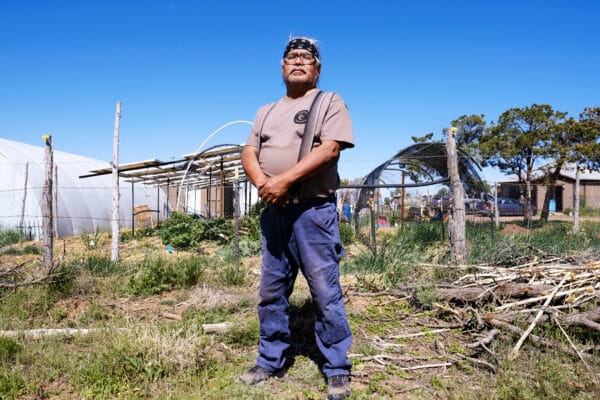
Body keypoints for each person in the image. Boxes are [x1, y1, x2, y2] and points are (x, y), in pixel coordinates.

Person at [239, 36, 354, 400]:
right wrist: (264, 185)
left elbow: (330, 149)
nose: (299, 61)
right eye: (292, 57)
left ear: (317, 68)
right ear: (282, 67)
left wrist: (284, 181)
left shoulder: (328, 101)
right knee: (271, 292)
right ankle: (270, 359)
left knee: (324, 292)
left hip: (313, 213)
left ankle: (336, 368)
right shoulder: (266, 110)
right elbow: (249, 150)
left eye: (307, 57)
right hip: (276, 212)